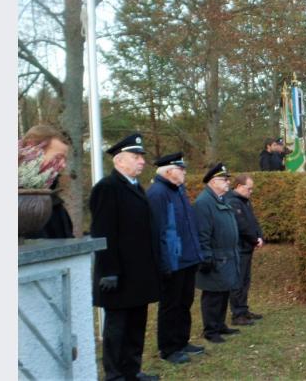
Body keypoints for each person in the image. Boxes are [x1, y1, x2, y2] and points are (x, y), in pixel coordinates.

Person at [90, 133, 161, 381]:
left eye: (141, 156)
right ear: (119, 161)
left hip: (139, 274)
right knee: (117, 327)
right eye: (136, 156)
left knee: (136, 325)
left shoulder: (135, 187)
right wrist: (109, 270)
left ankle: (132, 370)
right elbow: (103, 231)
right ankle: (115, 375)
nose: (142, 161)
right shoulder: (107, 189)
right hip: (118, 275)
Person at [146, 152, 205, 365]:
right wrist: (163, 263)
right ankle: (168, 348)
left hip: (188, 258)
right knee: (170, 305)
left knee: (184, 302)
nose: (185, 172)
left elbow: (188, 224)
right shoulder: (157, 193)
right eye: (181, 169)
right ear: (169, 171)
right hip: (172, 261)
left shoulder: (179, 190)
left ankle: (182, 341)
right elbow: (158, 231)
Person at [195, 163, 242, 344]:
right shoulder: (204, 203)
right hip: (215, 256)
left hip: (226, 255)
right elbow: (203, 233)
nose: (228, 182)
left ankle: (220, 325)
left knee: (223, 291)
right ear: (213, 182)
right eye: (224, 179)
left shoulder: (220, 200)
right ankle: (211, 330)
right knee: (213, 295)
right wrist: (206, 257)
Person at [225, 174, 265, 326]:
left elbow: (253, 222)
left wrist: (260, 236)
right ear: (240, 187)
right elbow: (242, 226)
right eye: (249, 189)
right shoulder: (233, 202)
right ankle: (237, 314)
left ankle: (243, 309)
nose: (251, 192)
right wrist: (254, 239)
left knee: (245, 280)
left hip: (247, 248)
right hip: (239, 249)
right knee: (238, 282)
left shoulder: (245, 201)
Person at [20, 125, 73, 238]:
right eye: (58, 157)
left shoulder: (53, 198)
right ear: (32, 150)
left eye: (65, 159)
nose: (64, 165)